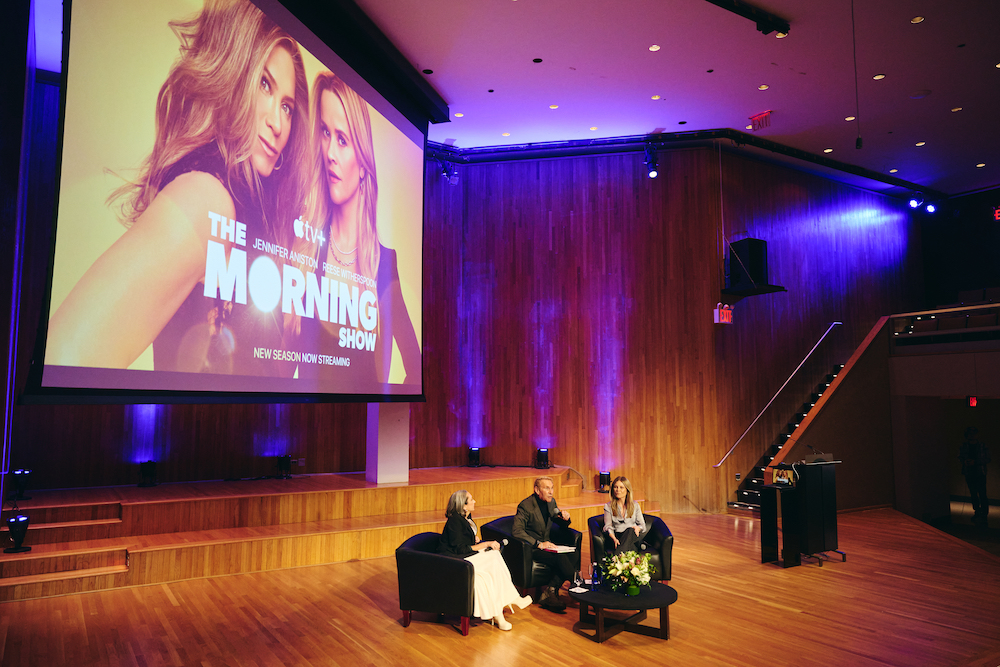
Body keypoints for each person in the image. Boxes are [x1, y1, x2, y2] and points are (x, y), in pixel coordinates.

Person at [46, 0, 311, 376]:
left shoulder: (244, 211)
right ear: (232, 76)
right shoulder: (207, 200)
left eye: (286, 106)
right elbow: (65, 355)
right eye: (264, 85)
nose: (277, 123)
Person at [289, 71, 420, 389]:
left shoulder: (384, 263)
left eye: (343, 140)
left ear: (363, 163)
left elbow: (415, 368)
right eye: (324, 133)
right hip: (307, 426)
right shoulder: (305, 248)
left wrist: (387, 400)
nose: (330, 153)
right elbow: (278, 368)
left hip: (365, 428)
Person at [438, 490, 532, 631]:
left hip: (463, 557)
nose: (474, 501)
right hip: (454, 562)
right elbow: (461, 549)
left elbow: (464, 540)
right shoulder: (455, 522)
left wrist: (474, 539)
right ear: (463, 506)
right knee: (493, 557)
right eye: (471, 499)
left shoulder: (465, 518)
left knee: (488, 575)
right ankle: (513, 598)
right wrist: (485, 544)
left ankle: (501, 616)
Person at [512, 476, 575, 611]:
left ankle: (550, 592)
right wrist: (538, 543)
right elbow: (517, 531)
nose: (551, 491)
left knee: (570, 553)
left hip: (547, 545)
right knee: (560, 558)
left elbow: (556, 519)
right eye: (547, 488)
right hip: (532, 548)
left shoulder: (551, 503)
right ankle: (577, 585)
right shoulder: (525, 506)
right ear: (536, 490)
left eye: (552, 488)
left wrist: (565, 519)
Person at [603, 475, 646, 555]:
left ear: (627, 490)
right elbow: (608, 526)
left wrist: (638, 528)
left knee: (630, 530)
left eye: (621, 487)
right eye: (616, 487)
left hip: (633, 534)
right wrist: (614, 539)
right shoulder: (608, 506)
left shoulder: (635, 505)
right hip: (618, 537)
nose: (618, 490)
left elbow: (643, 526)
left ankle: (616, 559)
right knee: (631, 548)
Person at [959, 427, 991, 526]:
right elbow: (960, 456)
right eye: (970, 433)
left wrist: (975, 462)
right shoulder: (964, 446)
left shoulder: (982, 446)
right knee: (973, 494)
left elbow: (988, 459)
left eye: (973, 433)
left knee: (982, 494)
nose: (971, 435)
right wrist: (965, 461)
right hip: (969, 472)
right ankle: (977, 512)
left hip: (980, 473)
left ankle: (984, 514)